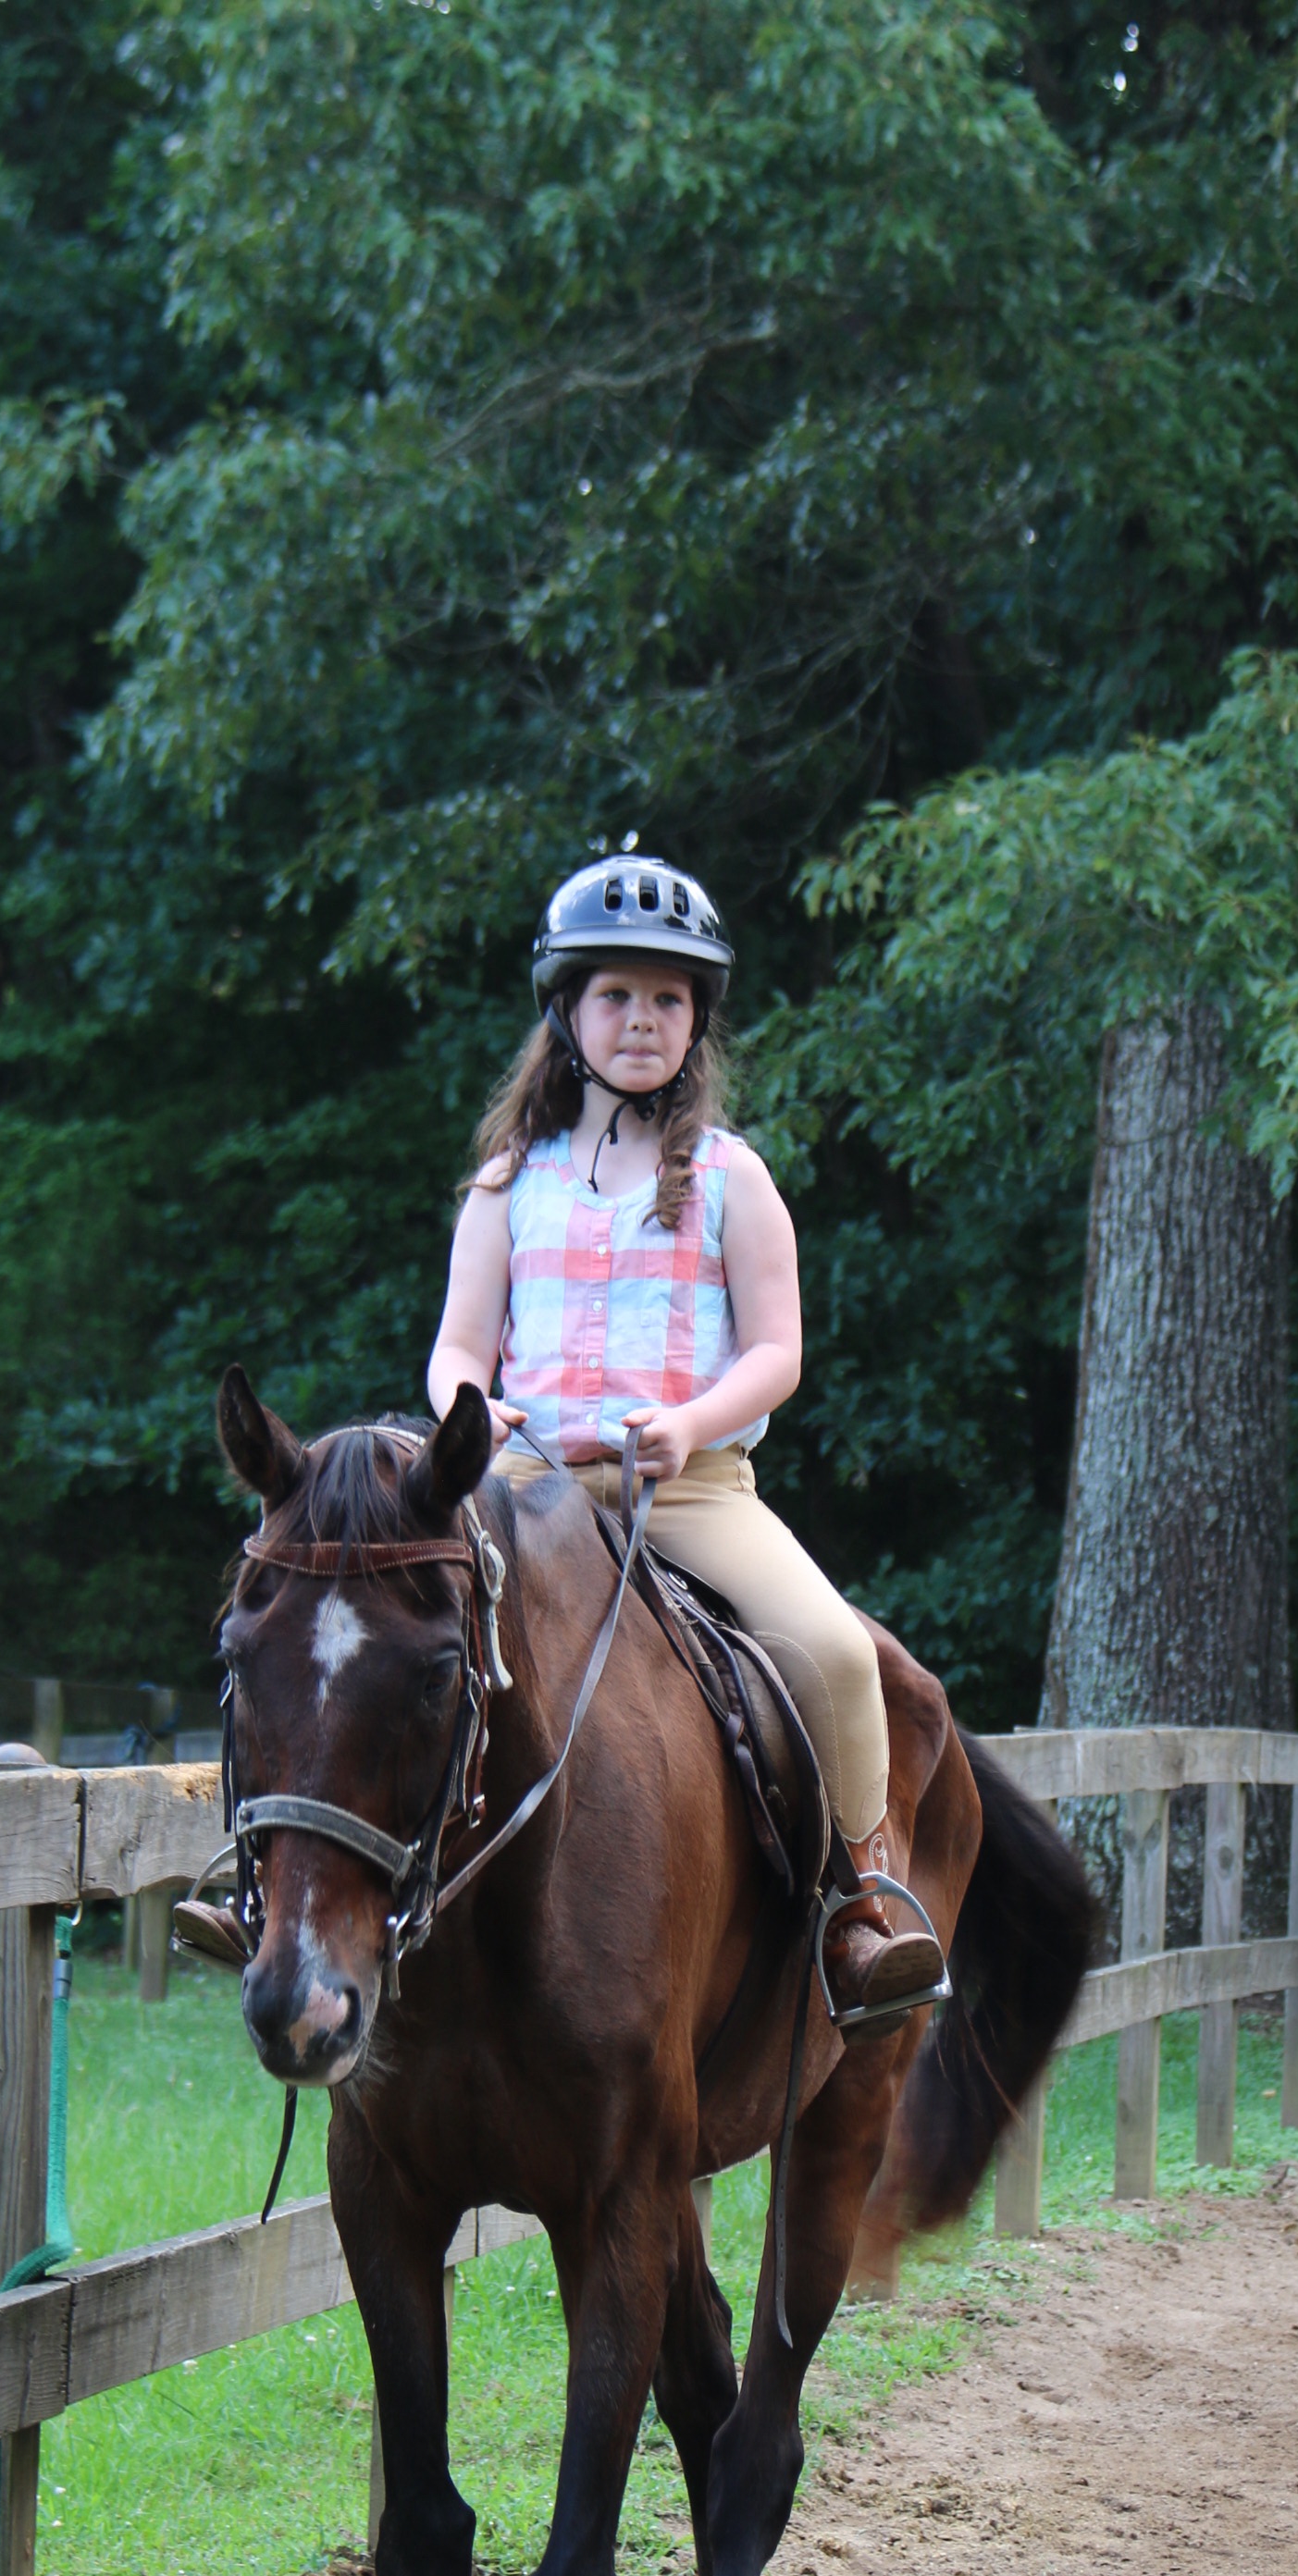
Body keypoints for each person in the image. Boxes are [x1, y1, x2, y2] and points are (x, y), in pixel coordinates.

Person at [426, 852, 946, 2036]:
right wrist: (471, 1407)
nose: (640, 1020)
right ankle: (290, 1887)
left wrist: (692, 1423)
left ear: (696, 1019)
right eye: (615, 995)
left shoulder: (731, 1178)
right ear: (567, 1011)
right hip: (523, 1486)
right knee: (372, 1614)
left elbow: (776, 1351)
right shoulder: (505, 1186)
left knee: (831, 1651)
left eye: (667, 999)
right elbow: (458, 1346)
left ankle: (860, 1905)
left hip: (689, 1487)